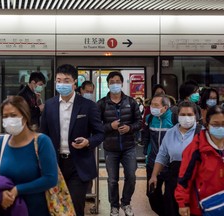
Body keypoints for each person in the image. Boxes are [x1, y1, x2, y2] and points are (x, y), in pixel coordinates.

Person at [40, 64, 104, 216]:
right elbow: (43, 134)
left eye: (66, 80)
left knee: (75, 207)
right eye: (58, 80)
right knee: (54, 207)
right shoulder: (50, 105)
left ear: (75, 83)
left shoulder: (88, 106)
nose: (62, 84)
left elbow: (100, 133)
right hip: (55, 164)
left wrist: (88, 142)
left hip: (78, 164)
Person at [0, 96, 58, 215]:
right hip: (7, 209)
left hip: (35, 210)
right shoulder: (3, 142)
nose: (9, 120)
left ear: (25, 116)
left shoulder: (42, 142)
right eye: (5, 116)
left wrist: (17, 190)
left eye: (13, 115)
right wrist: (1, 193)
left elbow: (50, 178)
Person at [97, 71, 142, 216]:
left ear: (122, 83)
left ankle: (126, 203)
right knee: (112, 180)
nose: (115, 84)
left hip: (128, 147)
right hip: (111, 148)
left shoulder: (131, 102)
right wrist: (111, 126)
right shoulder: (102, 104)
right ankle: (114, 206)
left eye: (117, 81)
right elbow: (97, 127)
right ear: (108, 84)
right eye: (112, 82)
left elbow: (140, 122)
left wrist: (130, 128)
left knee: (131, 176)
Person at [148, 101, 202, 216]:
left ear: (195, 116)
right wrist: (154, 175)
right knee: (172, 209)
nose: (186, 118)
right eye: (182, 115)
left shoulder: (202, 133)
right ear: (177, 116)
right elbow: (162, 155)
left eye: (189, 114)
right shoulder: (170, 133)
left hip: (195, 180)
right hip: (173, 178)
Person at [175, 105, 224, 216]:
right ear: (207, 124)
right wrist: (183, 203)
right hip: (204, 206)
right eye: (216, 124)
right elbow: (184, 178)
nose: (221, 127)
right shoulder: (196, 148)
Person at [141, 93, 174, 216]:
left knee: (170, 196)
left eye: (156, 105)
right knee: (152, 194)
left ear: (165, 107)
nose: (153, 108)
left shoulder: (174, 118)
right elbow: (147, 138)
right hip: (153, 163)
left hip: (170, 165)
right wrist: (146, 155)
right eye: (151, 105)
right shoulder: (150, 118)